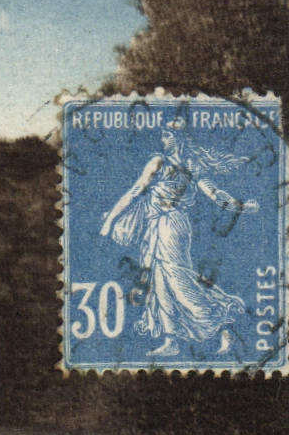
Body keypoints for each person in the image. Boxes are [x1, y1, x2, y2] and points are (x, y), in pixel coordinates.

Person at [99, 121, 259, 356]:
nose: (163, 139)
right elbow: (135, 191)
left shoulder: (170, 164)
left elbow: (214, 194)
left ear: (179, 138)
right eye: (163, 134)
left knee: (178, 279)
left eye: (167, 134)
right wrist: (110, 220)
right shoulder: (166, 163)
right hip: (157, 226)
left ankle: (222, 325)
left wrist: (240, 206)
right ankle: (171, 340)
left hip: (171, 227)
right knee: (159, 280)